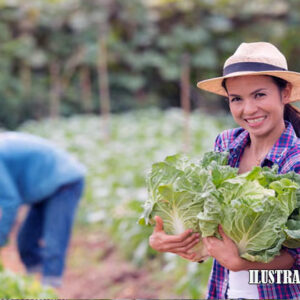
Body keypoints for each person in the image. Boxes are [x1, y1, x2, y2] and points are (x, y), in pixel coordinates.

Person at [148, 42, 300, 299]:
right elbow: (212, 222)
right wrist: (171, 241)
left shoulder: (295, 161)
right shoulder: (226, 145)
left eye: (259, 95)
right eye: (236, 99)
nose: (248, 109)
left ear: (284, 94)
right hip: (225, 290)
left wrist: (243, 265)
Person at [0, 132, 86, 288]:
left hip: (64, 181)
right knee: (26, 242)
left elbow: (9, 201)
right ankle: (33, 287)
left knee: (53, 242)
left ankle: (50, 288)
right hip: (45, 187)